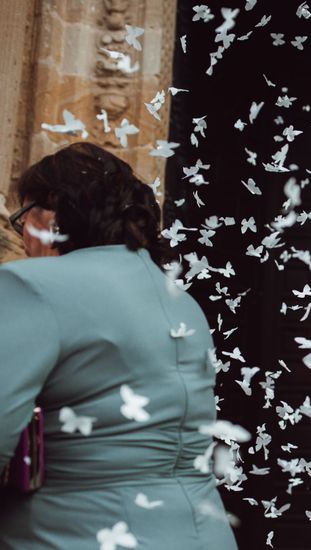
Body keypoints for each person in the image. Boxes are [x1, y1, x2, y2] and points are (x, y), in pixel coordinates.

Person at [0, 142, 237, 548]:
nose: (21, 237)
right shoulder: (184, 301)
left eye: (22, 218)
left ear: (54, 210)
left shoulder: (32, 285)